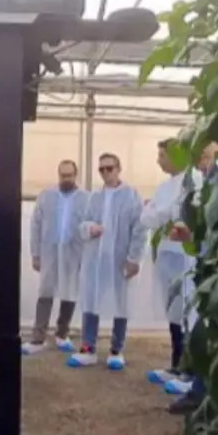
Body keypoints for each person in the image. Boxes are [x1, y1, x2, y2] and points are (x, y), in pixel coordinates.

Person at [68, 152, 145, 371]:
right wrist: (89, 229)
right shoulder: (95, 197)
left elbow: (139, 230)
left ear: (119, 168)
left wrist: (134, 258)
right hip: (96, 260)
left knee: (121, 303)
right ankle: (88, 348)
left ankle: (116, 349)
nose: (105, 173)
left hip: (120, 260)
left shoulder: (132, 195)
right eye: (101, 169)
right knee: (91, 300)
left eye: (109, 168)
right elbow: (81, 224)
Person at [168, 143, 218, 414]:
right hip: (206, 262)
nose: (202, 159)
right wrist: (188, 235)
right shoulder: (204, 181)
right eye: (198, 155)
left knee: (210, 329)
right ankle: (199, 390)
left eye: (205, 152)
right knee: (201, 327)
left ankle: (203, 393)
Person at [142, 139, 200, 387]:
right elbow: (148, 217)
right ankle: (176, 365)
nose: (159, 160)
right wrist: (160, 213)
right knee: (174, 311)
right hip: (167, 253)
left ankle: (190, 371)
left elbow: (167, 213)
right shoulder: (165, 186)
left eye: (162, 155)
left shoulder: (193, 181)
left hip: (186, 254)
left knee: (190, 310)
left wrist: (159, 213)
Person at [24, 159, 88, 355]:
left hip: (73, 253)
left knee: (70, 293)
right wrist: (35, 253)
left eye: (69, 175)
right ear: (58, 175)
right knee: (45, 293)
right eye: (63, 175)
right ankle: (38, 338)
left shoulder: (86, 198)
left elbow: (89, 226)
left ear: (75, 175)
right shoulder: (46, 196)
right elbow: (35, 225)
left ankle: (62, 334)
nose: (66, 179)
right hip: (49, 252)